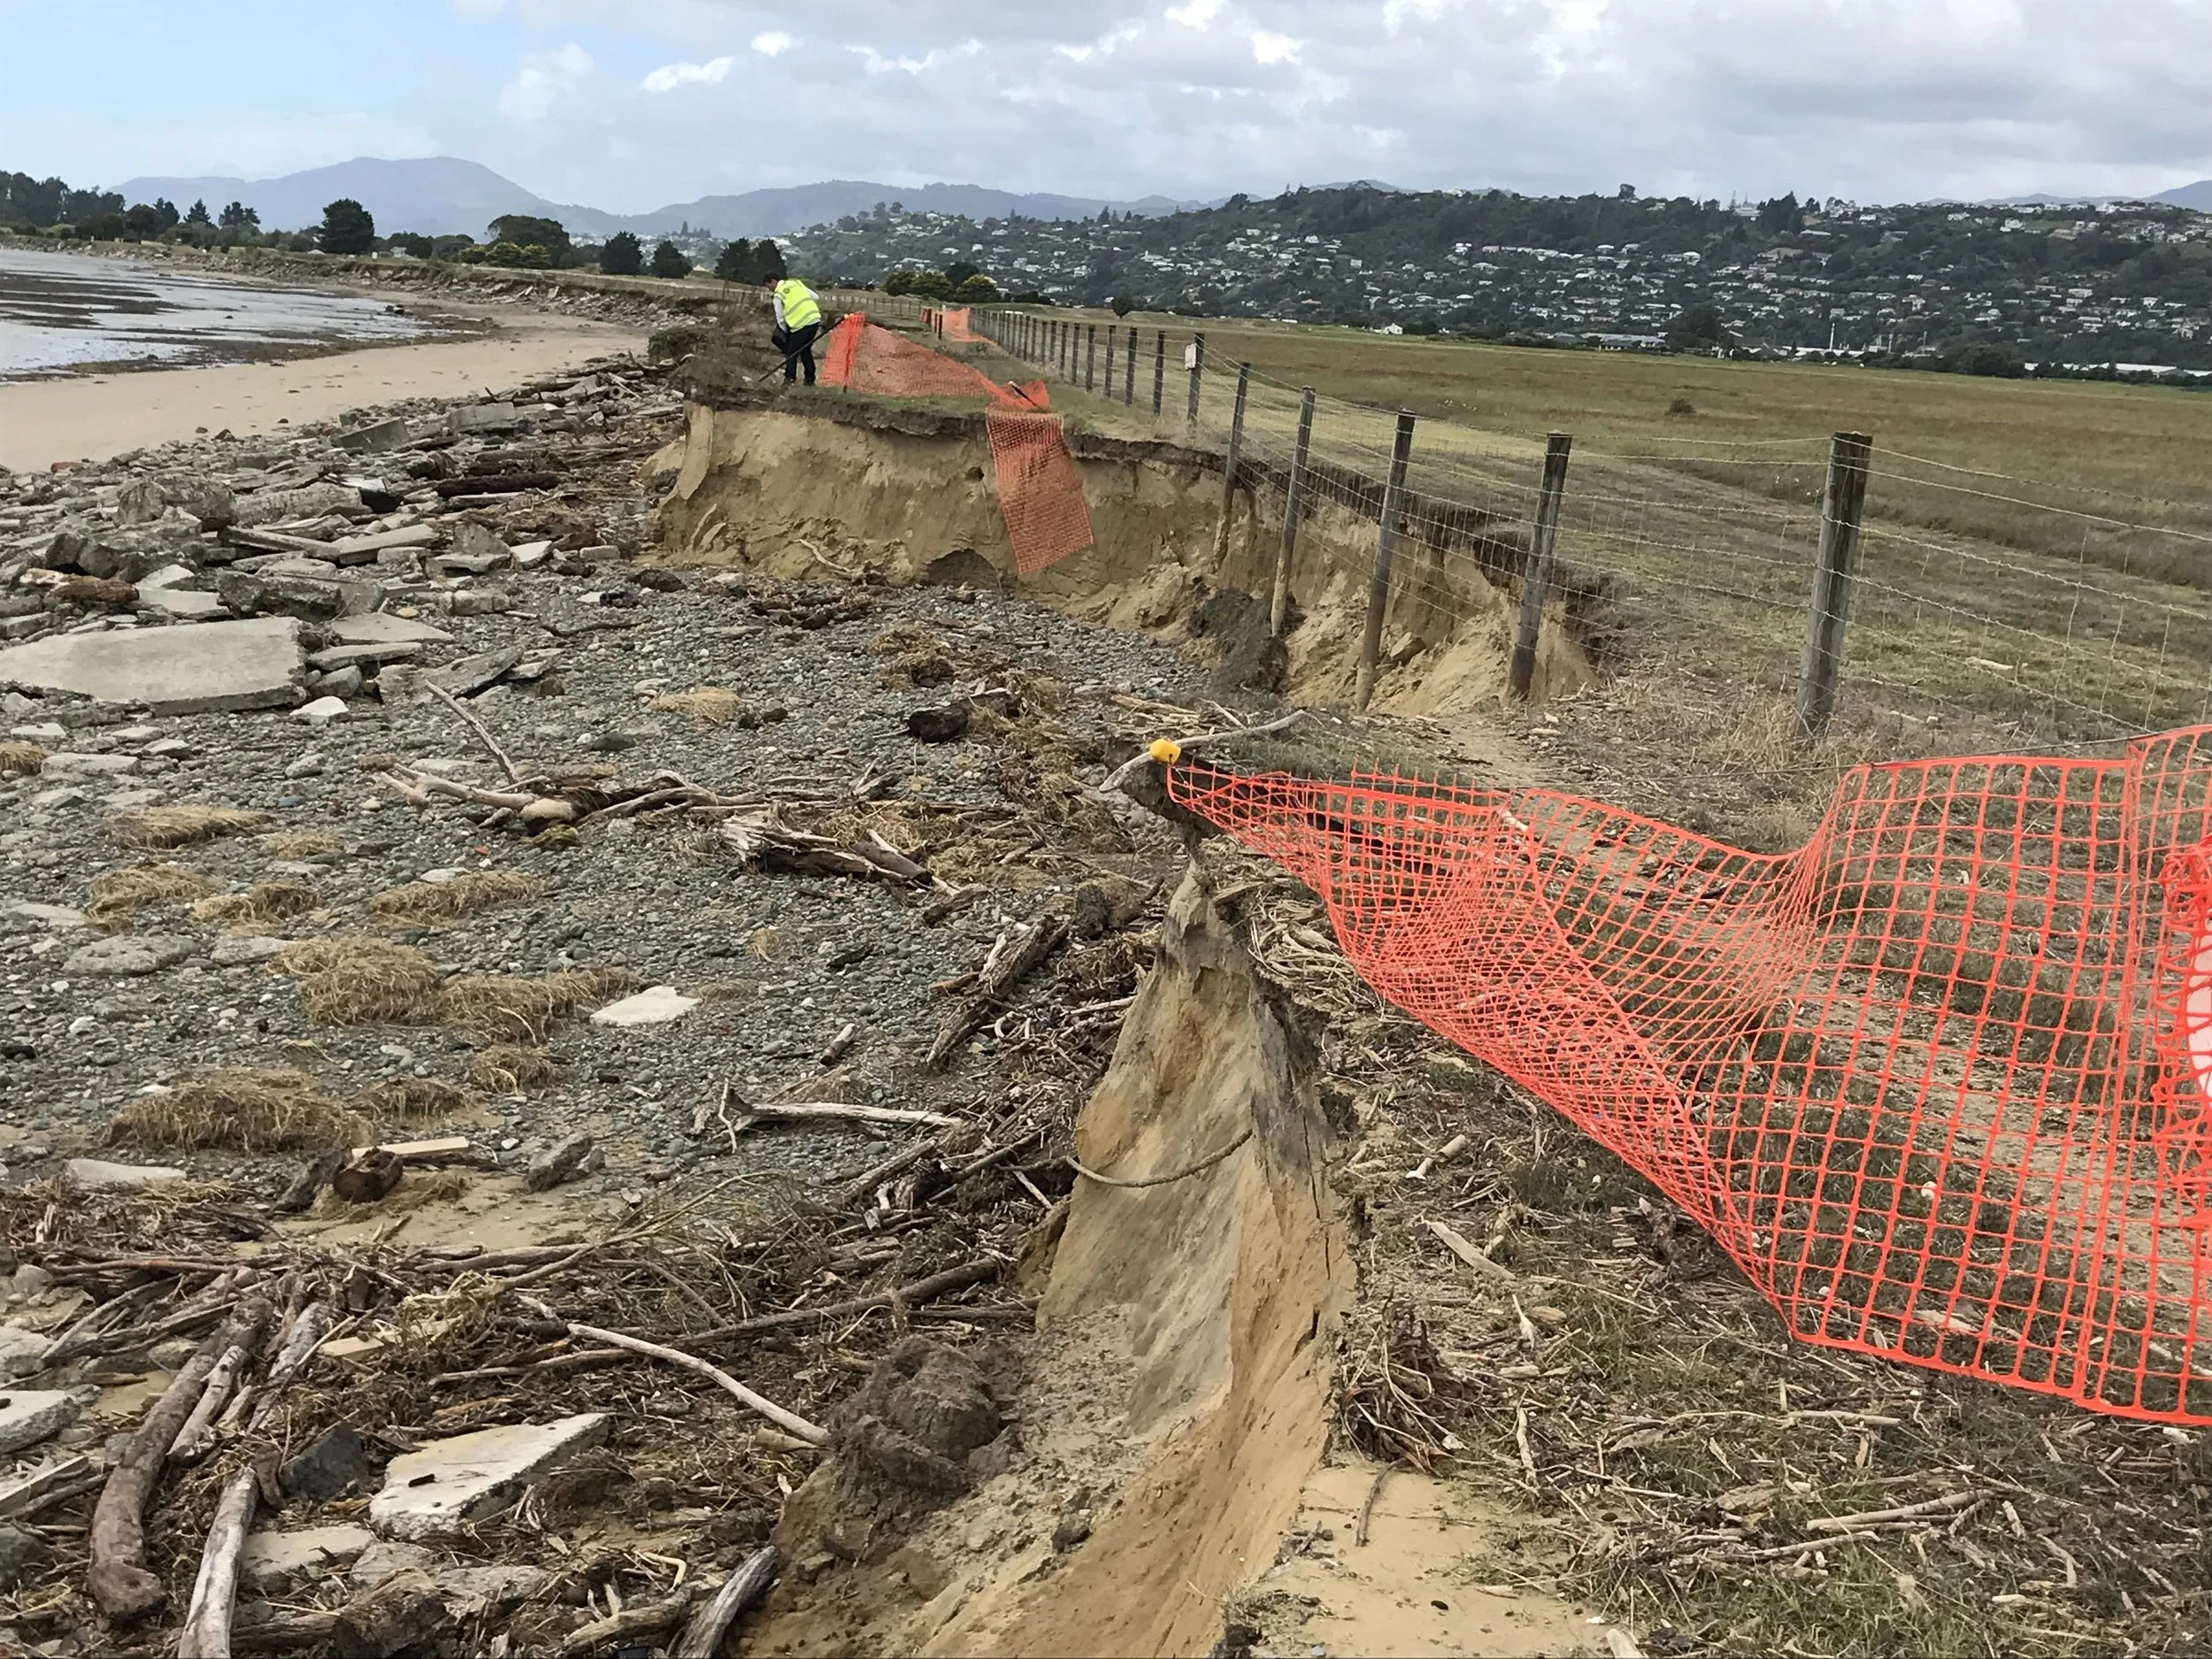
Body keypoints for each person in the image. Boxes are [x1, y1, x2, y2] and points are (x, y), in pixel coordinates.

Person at [770, 274, 823, 385]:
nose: (769, 289)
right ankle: (809, 379)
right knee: (805, 349)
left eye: (768, 286)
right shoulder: (795, 283)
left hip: (800, 324)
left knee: (792, 352)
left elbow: (780, 318)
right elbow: (815, 297)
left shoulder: (778, 294)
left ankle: (790, 379)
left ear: (773, 281)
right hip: (814, 319)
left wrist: (785, 331)